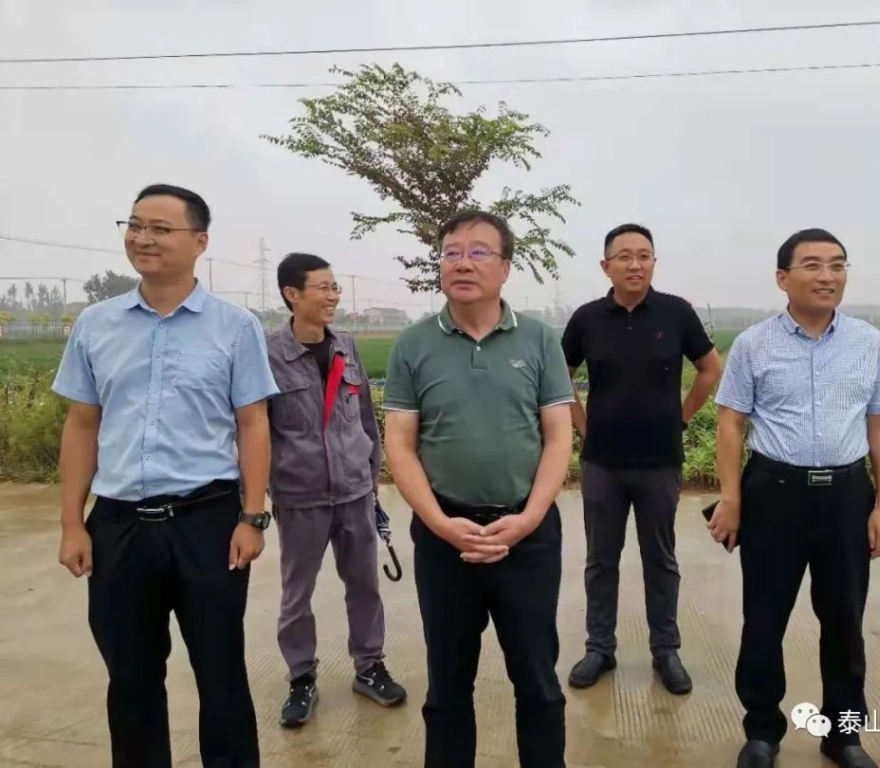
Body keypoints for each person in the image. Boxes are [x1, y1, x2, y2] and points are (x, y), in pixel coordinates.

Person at [52, 183, 278, 768]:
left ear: (199, 242)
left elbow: (253, 423)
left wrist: (252, 517)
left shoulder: (235, 327)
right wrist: (73, 524)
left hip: (208, 523)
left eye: (160, 228)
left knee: (221, 673)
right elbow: (82, 423)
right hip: (120, 526)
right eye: (134, 225)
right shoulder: (96, 324)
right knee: (130, 677)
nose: (143, 238)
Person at [382, 209, 576, 768]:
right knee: (447, 685)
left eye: (478, 252)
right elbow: (400, 445)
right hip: (445, 538)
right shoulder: (413, 344)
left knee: (538, 682)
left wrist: (530, 518)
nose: (462, 263)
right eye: (451, 252)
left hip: (528, 536)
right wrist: (440, 524)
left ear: (506, 267)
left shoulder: (539, 340)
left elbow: (558, 437)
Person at [710, 228, 880, 768]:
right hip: (774, 494)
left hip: (846, 496)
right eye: (813, 265)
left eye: (837, 265)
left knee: (844, 620)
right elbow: (730, 424)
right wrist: (731, 499)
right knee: (763, 618)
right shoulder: (754, 344)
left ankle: (843, 735)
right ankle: (762, 732)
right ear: (783, 278)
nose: (827, 276)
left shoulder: (868, 342)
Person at [560, 223, 723, 693]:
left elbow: (710, 368)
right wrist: (582, 424)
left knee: (661, 559)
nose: (635, 265)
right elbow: (559, 375)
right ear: (605, 266)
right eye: (625, 256)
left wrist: (681, 418)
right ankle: (599, 648)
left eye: (644, 256)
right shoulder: (587, 319)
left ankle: (665, 650)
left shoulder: (675, 313)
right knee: (600, 560)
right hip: (602, 463)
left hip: (659, 461)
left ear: (653, 262)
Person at [266, 251, 407, 727]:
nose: (333, 297)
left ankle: (370, 666)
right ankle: (301, 677)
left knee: (364, 585)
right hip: (300, 497)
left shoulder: (346, 346)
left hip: (354, 493)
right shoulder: (268, 355)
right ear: (292, 294)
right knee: (297, 592)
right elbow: (254, 429)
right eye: (323, 288)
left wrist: (371, 479)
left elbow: (365, 415)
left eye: (335, 288)